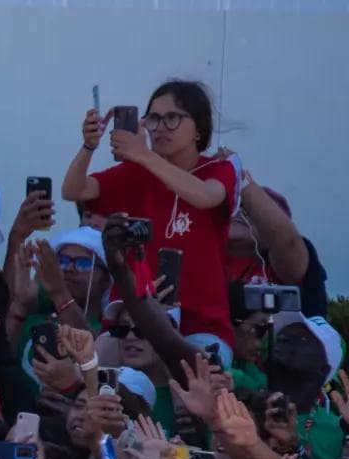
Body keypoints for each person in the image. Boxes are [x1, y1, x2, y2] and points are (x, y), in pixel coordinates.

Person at [63, 79, 237, 351]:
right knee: (94, 371)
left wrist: (143, 155)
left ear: (199, 129)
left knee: (195, 380)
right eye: (154, 119)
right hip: (131, 322)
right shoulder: (135, 172)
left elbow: (204, 196)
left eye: (172, 118)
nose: (159, 128)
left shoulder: (219, 169)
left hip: (200, 326)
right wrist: (88, 147)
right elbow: (74, 190)